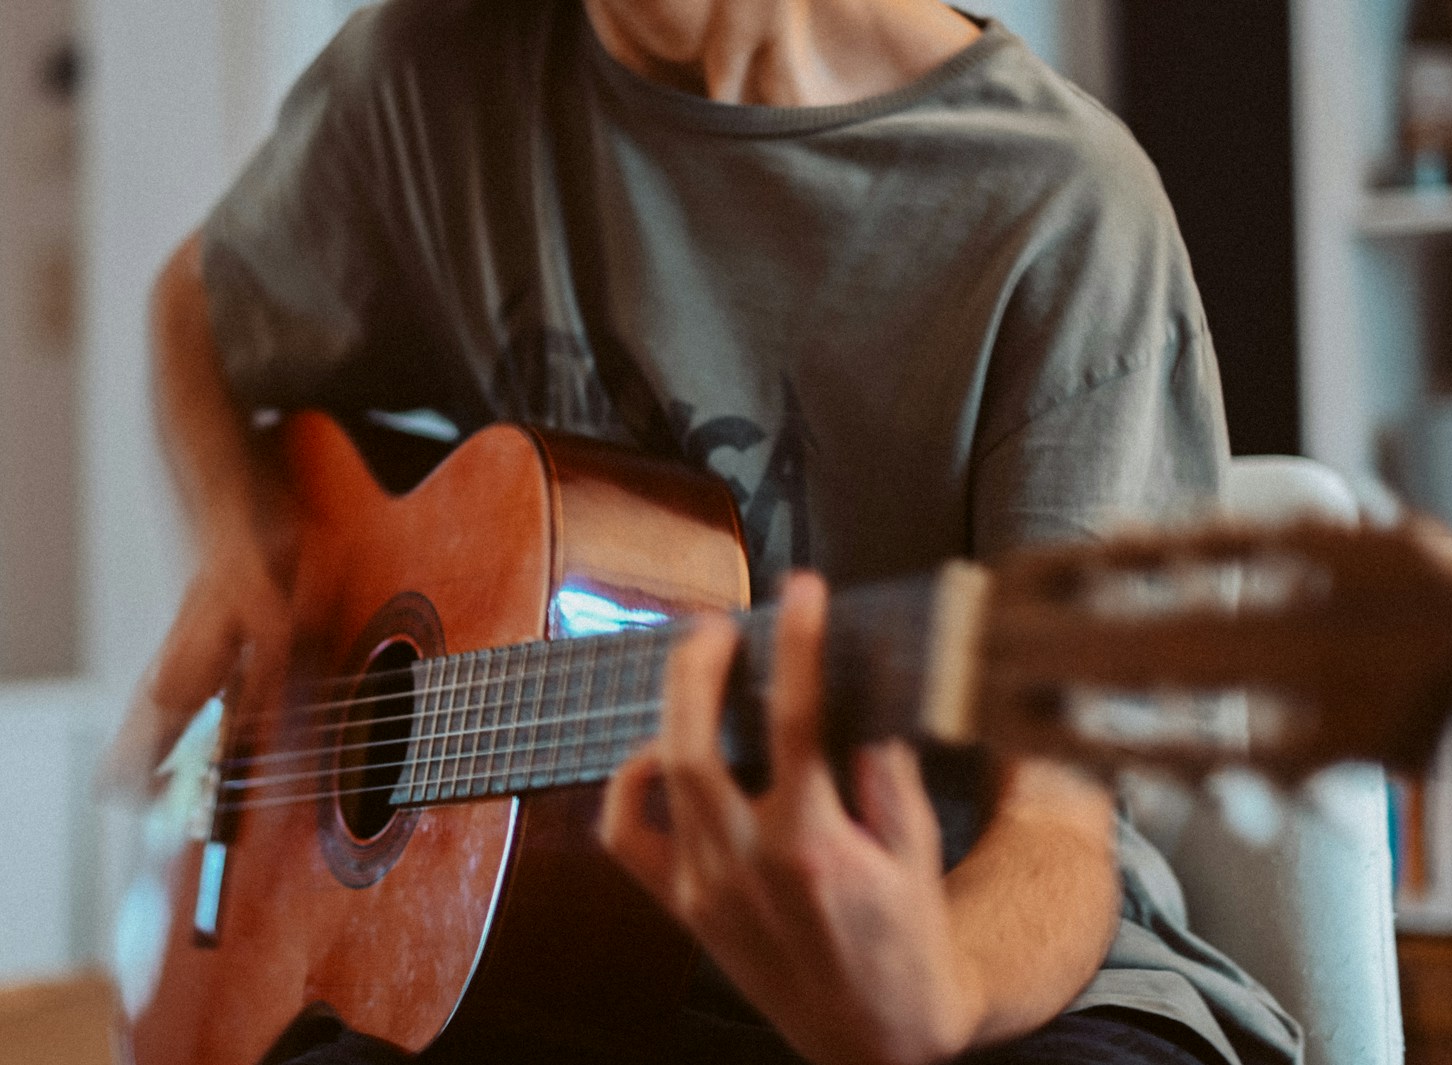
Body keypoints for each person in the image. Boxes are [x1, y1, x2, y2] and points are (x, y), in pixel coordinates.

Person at [141, 0, 1303, 1063]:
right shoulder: (430, 70)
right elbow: (196, 303)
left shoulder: (1058, 207)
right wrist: (238, 540)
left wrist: (930, 986)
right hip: (544, 963)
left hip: (982, 968)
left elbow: (1058, 825)